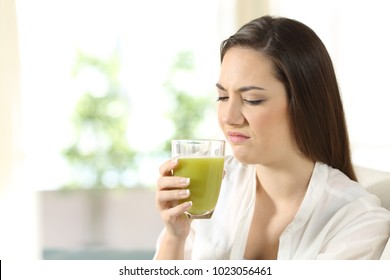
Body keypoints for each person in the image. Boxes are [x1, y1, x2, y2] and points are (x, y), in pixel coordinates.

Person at [154, 15, 390, 260]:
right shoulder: (216, 190)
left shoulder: (356, 221)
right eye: (223, 97)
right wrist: (175, 235)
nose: (229, 117)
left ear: (305, 105)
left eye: (252, 100)